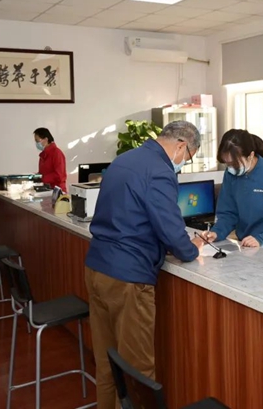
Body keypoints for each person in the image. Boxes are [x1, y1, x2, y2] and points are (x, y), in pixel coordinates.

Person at [84, 120, 204, 409]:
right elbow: (171, 229)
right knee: (137, 372)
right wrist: (191, 249)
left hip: (97, 267)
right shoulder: (159, 171)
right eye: (187, 158)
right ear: (181, 146)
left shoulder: (123, 160)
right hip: (128, 278)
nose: (183, 165)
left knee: (107, 365)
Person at [201, 129, 263, 251]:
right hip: (246, 245)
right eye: (227, 164)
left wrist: (262, 240)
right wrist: (216, 232)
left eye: (235, 164)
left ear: (251, 155)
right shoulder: (230, 174)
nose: (231, 168)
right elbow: (228, 213)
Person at [33, 127, 67, 192]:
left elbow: (59, 175)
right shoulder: (43, 155)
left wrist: (42, 178)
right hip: (46, 190)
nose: (37, 144)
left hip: (57, 191)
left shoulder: (57, 153)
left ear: (46, 139)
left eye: (38, 141)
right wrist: (36, 177)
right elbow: (43, 172)